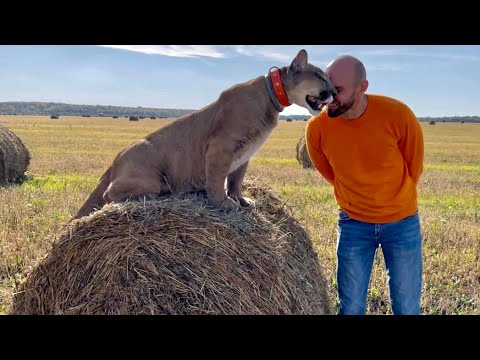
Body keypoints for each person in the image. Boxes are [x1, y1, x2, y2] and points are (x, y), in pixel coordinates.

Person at [305, 55, 424, 315]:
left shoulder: (397, 115)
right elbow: (329, 172)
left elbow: (413, 165)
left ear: (362, 87)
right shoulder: (317, 128)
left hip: (402, 223)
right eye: (325, 88)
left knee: (407, 307)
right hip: (353, 225)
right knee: (351, 308)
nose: (328, 97)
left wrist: (393, 199)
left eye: (336, 91)